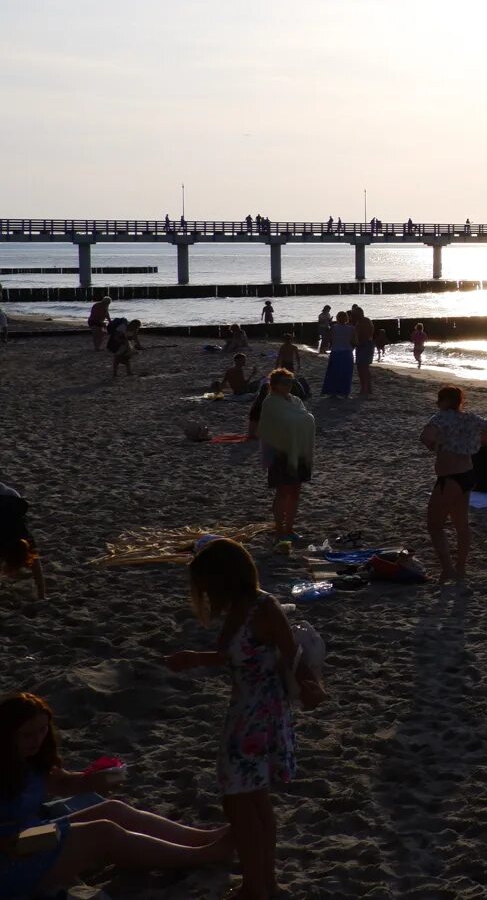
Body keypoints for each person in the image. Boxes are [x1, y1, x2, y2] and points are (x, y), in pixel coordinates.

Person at [165, 539, 300, 900]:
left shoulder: (264, 607)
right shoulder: (241, 607)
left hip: (260, 714)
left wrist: (311, 686)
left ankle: (258, 886)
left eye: (207, 583)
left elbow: (294, 656)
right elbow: (239, 656)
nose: (206, 592)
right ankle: (262, 885)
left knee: (239, 799)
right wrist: (196, 658)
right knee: (251, 799)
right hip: (248, 710)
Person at [1, 693, 233, 898]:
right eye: (27, 735)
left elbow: (62, 782)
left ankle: (201, 838)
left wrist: (92, 780)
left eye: (43, 730)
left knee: (114, 809)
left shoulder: (31, 758)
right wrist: (51, 836)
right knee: (103, 831)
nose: (38, 739)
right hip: (11, 854)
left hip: (30, 834)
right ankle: (199, 856)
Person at [420, 386, 487, 584]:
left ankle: (447, 569)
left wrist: (436, 445)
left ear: (445, 401)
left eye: (439, 400)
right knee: (461, 524)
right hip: (468, 475)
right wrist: (477, 442)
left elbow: (426, 437)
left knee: (434, 525)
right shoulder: (470, 417)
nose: (437, 404)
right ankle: (461, 568)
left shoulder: (441, 417)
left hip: (450, 478)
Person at [252, 371, 313, 538]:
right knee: (283, 491)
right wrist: (301, 420)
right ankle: (279, 528)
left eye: (290, 382)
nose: (288, 385)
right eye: (285, 382)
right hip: (280, 453)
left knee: (295, 491)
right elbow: (271, 427)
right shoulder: (271, 402)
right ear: (275, 384)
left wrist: (301, 421)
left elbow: (306, 418)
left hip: (298, 450)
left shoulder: (295, 400)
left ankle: (290, 527)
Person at [1, 482, 46, 600]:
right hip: (11, 499)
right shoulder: (26, 540)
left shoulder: (26, 540)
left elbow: (37, 569)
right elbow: (37, 571)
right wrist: (42, 596)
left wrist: (42, 595)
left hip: (13, 498)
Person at [321, 312, 355, 398]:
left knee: (334, 372)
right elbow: (355, 341)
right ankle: (345, 393)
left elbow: (329, 339)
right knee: (346, 373)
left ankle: (333, 392)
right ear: (346, 318)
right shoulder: (351, 329)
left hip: (336, 351)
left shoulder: (333, 328)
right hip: (347, 352)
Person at [349, 306, 375, 397]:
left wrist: (356, 343)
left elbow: (364, 335)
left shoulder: (363, 322)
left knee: (363, 368)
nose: (352, 316)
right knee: (363, 368)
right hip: (365, 345)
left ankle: (365, 389)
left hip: (365, 346)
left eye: (354, 315)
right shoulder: (362, 321)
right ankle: (367, 388)